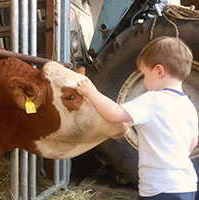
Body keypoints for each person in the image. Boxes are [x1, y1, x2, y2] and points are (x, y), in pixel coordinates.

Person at [76, 36, 199, 200]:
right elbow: (193, 142)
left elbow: (115, 114)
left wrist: (91, 92)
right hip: (186, 185)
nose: (145, 81)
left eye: (144, 75)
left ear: (159, 71)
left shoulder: (153, 100)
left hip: (159, 188)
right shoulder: (188, 105)